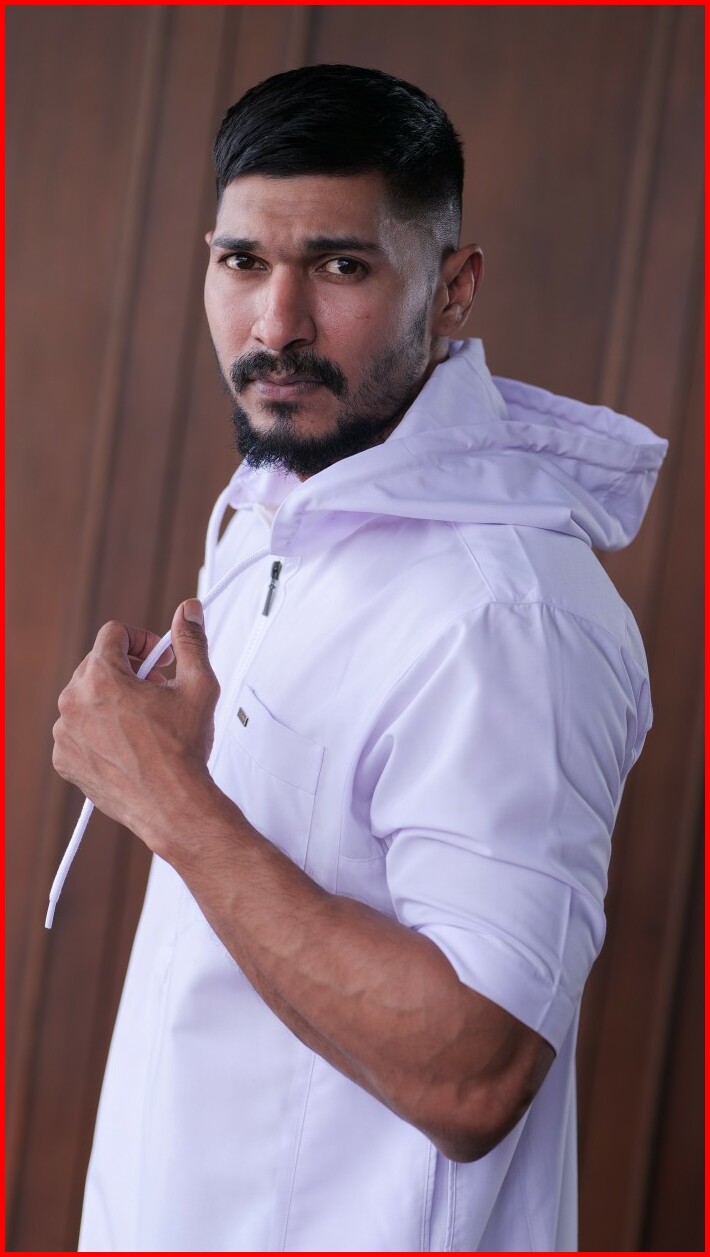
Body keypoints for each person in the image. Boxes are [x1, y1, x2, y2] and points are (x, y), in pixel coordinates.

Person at [52, 65, 667, 1252]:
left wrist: (165, 795)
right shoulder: (279, 501)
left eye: (339, 267)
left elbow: (475, 1073)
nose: (275, 325)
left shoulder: (506, 616)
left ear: (452, 288)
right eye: (243, 262)